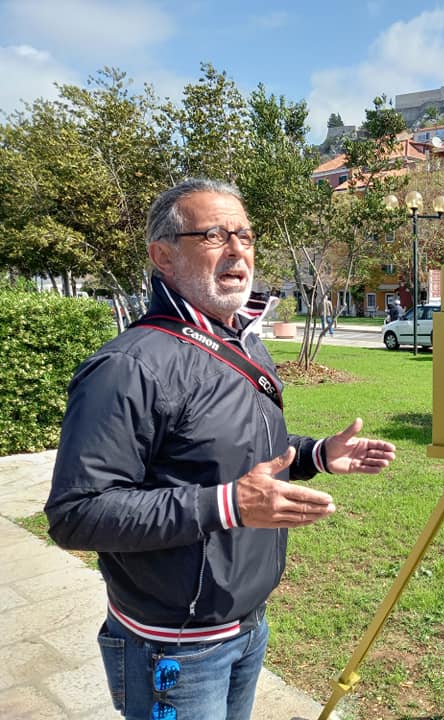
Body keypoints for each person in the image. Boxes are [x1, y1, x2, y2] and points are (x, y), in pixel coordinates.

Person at [44, 178, 397, 720]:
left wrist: (318, 454)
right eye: (213, 235)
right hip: (175, 646)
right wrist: (228, 505)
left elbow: (243, 455)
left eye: (246, 236)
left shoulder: (243, 340)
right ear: (162, 255)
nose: (238, 250)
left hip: (248, 624)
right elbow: (77, 514)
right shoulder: (128, 367)